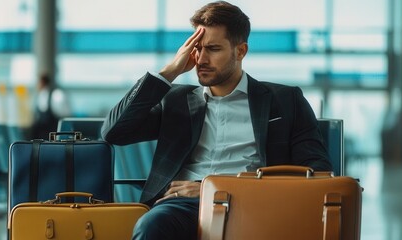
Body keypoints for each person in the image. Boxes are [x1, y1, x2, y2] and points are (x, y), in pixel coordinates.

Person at [101, 1, 332, 239]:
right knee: (151, 225)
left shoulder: (285, 100)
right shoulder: (175, 101)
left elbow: (317, 170)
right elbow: (114, 132)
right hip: (180, 206)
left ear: (240, 51)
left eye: (213, 49)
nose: (201, 59)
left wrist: (213, 188)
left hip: (254, 205)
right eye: (197, 48)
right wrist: (168, 72)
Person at [31, 73, 70, 139]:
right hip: (42, 133)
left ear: (42, 82)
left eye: (38, 82)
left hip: (50, 131)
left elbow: (63, 113)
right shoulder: (40, 95)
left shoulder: (55, 95)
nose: (37, 85)